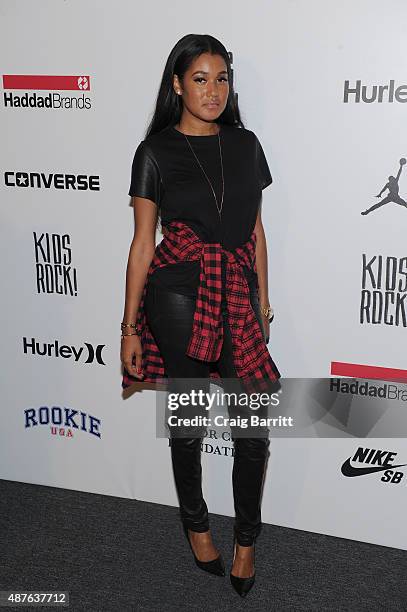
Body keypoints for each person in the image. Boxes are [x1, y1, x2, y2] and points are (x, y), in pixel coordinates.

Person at [120, 33, 281, 598]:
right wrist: (129, 328)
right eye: (200, 80)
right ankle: (195, 524)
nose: (213, 91)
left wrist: (262, 302)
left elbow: (257, 231)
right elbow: (143, 245)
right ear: (177, 85)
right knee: (188, 428)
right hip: (177, 299)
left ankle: (246, 541)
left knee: (252, 430)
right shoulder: (155, 152)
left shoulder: (246, 144)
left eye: (222, 79)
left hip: (235, 293)